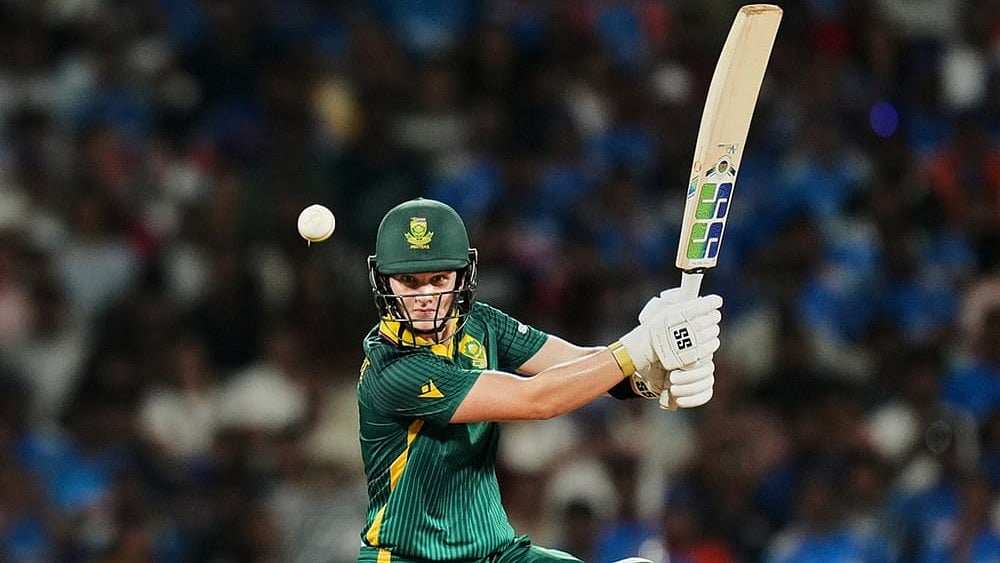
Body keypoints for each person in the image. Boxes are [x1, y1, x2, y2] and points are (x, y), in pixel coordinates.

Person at [356, 198, 723, 562]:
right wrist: (639, 347)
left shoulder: (480, 323)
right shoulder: (391, 369)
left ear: (463, 275)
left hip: (495, 553)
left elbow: (577, 362)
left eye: (438, 278)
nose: (426, 297)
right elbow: (538, 399)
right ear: (382, 278)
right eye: (409, 281)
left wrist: (645, 376)